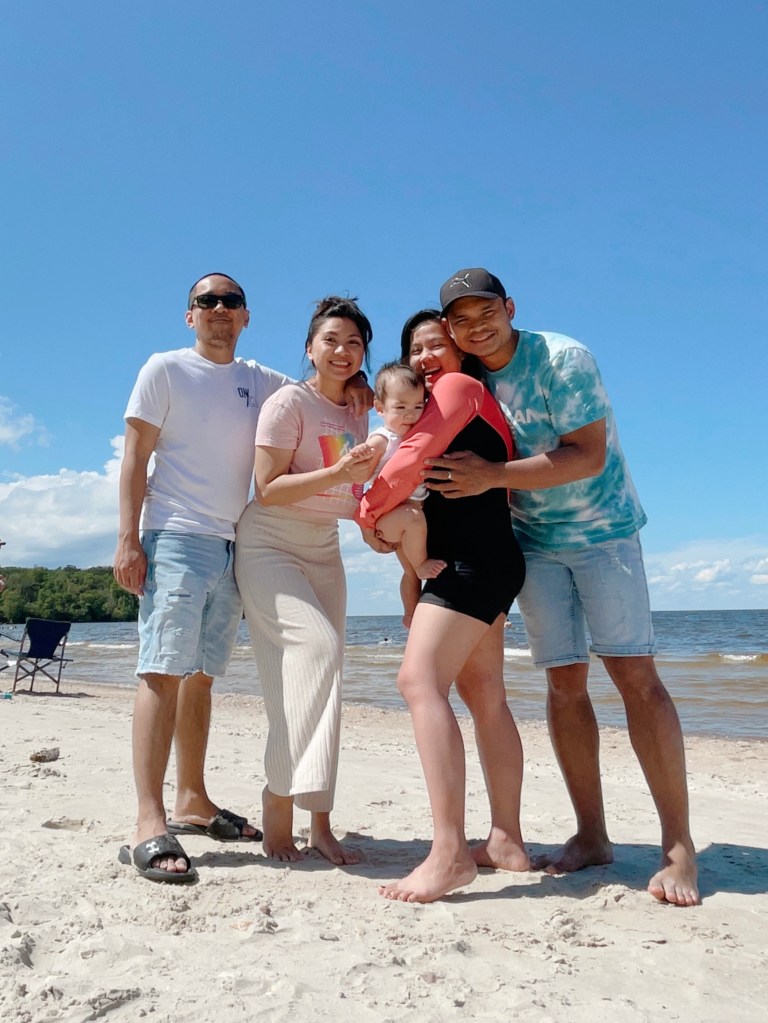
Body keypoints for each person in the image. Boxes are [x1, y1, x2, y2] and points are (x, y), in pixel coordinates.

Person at [429, 267, 698, 907]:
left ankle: (678, 848)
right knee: (564, 683)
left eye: (486, 312)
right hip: (533, 542)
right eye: (461, 320)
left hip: (605, 533)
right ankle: (592, 835)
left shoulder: (562, 358)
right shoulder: (466, 375)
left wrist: (491, 475)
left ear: (509, 307)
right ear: (449, 328)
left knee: (636, 677)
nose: (476, 327)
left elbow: (588, 453)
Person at [113, 273, 370, 884]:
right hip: (177, 533)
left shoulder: (260, 380)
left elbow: (320, 386)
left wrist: (359, 383)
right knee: (163, 669)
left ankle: (192, 799)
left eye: (231, 301)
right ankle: (149, 819)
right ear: (190, 315)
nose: (219, 309)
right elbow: (135, 457)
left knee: (202, 676)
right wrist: (128, 538)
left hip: (236, 541)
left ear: (247, 316)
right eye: (207, 301)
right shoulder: (165, 369)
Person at [356, 310, 528, 903]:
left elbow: (408, 463)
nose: (428, 358)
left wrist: (367, 514)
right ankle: (506, 841)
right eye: (417, 350)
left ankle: (451, 853)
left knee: (418, 680)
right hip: (486, 560)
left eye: (437, 344)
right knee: (485, 694)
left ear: (458, 350)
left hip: (472, 565)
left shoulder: (459, 388)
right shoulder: (438, 406)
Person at [235, 296, 379, 865]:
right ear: (309, 348)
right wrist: (339, 470)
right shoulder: (288, 402)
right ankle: (278, 800)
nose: (342, 351)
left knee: (325, 678)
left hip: (324, 547)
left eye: (354, 343)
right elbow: (267, 487)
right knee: (317, 651)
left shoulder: (361, 405)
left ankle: (320, 823)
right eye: (331, 340)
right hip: (269, 541)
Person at [357, 361, 446, 625]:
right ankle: (421, 564)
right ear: (380, 408)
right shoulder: (383, 438)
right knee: (414, 524)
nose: (410, 415)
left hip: (406, 515)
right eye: (400, 408)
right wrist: (362, 454)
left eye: (418, 407)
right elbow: (364, 468)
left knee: (409, 572)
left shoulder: (415, 435)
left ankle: (410, 616)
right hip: (392, 515)